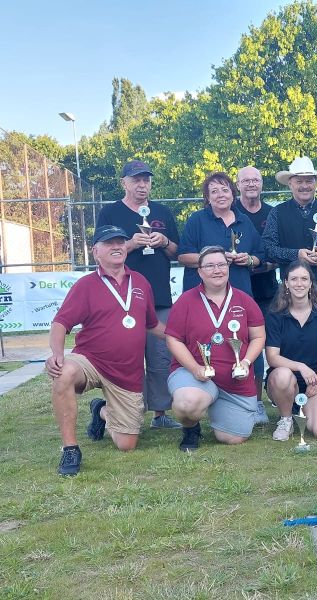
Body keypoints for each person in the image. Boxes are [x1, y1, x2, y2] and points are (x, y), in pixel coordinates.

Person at [47, 225, 164, 476]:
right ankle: (70, 449)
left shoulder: (141, 282)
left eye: (120, 242)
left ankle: (100, 410)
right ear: (96, 251)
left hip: (126, 373)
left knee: (126, 444)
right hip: (90, 361)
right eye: (109, 243)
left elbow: (153, 324)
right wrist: (57, 354)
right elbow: (60, 324)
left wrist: (186, 338)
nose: (117, 247)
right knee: (64, 373)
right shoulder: (86, 285)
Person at [96, 159, 181, 430]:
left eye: (146, 180)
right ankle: (120, 410)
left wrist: (164, 241)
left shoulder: (162, 212)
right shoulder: (110, 212)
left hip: (159, 297)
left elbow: (178, 252)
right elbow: (100, 251)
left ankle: (159, 414)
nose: (142, 185)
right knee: (125, 359)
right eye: (136, 180)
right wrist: (131, 244)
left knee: (160, 358)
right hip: (120, 299)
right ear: (124, 183)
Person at [165, 246, 265, 450]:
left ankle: (217, 406)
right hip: (195, 376)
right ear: (200, 271)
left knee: (233, 437)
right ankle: (191, 427)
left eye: (221, 264)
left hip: (235, 381)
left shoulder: (245, 300)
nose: (217, 270)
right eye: (210, 266)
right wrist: (195, 369)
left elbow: (258, 336)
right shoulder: (186, 301)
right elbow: (173, 339)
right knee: (187, 404)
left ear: (228, 267)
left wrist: (246, 362)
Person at [263, 156, 317, 318]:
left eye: (309, 181)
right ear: (290, 184)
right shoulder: (277, 213)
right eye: (299, 181)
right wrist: (296, 255)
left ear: (316, 183)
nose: (304, 186)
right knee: (293, 331)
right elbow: (268, 248)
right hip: (292, 289)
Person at [265, 261, 317, 442]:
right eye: (294, 279)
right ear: (286, 283)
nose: (299, 284)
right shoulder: (275, 314)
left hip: (314, 381)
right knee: (283, 376)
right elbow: (272, 357)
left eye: (304, 279)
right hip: (283, 380)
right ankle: (286, 418)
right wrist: (301, 367)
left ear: (311, 283)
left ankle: (300, 408)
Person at [235, 165, 279, 424]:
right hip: (236, 289)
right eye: (246, 180)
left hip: (266, 290)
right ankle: (245, 399)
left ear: (262, 184)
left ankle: (263, 399)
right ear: (238, 185)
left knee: (266, 344)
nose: (251, 184)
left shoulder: (272, 213)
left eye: (256, 180)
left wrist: (262, 263)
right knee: (240, 344)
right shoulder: (229, 211)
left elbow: (278, 251)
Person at [178, 172, 264, 294]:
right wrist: (218, 258)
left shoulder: (244, 220)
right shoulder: (197, 220)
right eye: (214, 191)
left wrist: (249, 260)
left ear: (232, 195)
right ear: (208, 197)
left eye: (225, 190)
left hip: (239, 293)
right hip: (202, 295)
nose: (220, 195)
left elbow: (260, 255)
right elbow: (183, 257)